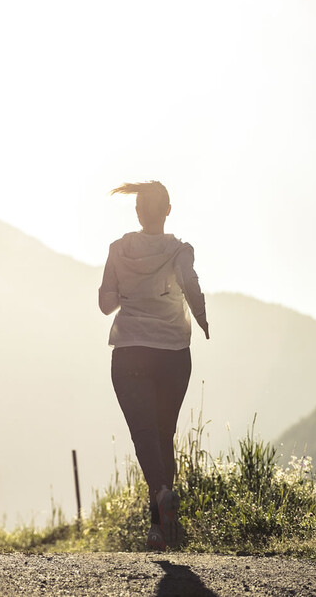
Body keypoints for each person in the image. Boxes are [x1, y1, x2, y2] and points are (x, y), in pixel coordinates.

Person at [98, 181, 209, 551]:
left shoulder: (118, 250)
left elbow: (105, 304)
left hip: (130, 350)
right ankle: (160, 528)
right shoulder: (180, 250)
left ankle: (160, 501)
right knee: (164, 436)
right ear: (168, 210)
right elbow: (190, 284)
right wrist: (203, 318)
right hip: (174, 353)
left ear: (137, 212)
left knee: (144, 434)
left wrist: (129, 290)